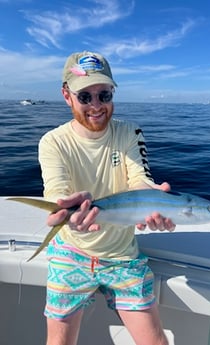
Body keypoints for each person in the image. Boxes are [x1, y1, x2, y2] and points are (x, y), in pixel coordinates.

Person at [39, 50, 176, 345]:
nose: (97, 106)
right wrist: (65, 213)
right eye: (85, 97)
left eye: (105, 94)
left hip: (122, 256)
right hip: (71, 254)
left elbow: (139, 179)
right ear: (66, 95)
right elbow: (57, 192)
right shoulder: (53, 142)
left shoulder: (129, 131)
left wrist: (152, 197)